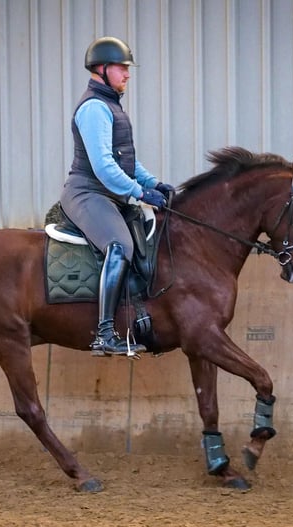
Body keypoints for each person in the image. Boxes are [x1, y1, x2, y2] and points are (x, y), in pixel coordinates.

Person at [59, 36, 175, 357]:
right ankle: (105, 333)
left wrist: (155, 183)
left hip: (109, 195)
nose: (127, 74)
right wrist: (141, 192)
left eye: (127, 68)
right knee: (120, 246)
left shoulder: (112, 106)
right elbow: (104, 167)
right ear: (102, 69)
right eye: (122, 68)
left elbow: (126, 159)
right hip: (87, 192)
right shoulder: (94, 108)